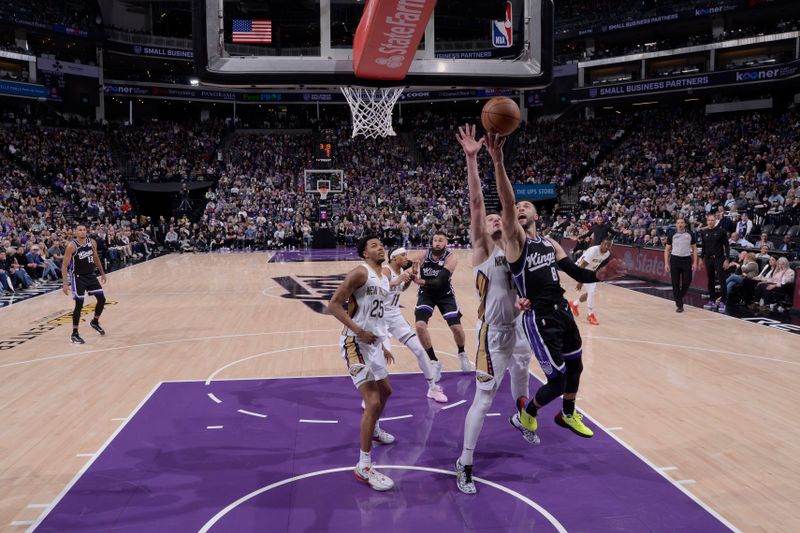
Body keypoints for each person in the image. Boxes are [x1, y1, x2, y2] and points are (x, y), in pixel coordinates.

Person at [487, 133, 627, 443]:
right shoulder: (516, 241)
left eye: (527, 207)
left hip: (562, 310)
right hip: (539, 317)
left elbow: (575, 271)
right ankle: (527, 413)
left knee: (576, 366)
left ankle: (567, 413)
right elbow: (507, 203)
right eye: (517, 207)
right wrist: (498, 161)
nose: (520, 209)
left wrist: (601, 275)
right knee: (558, 377)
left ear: (537, 215)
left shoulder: (550, 243)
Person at [453, 125, 534, 495]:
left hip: (521, 327)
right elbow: (477, 204)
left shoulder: (516, 245)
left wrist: (498, 161)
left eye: (500, 217)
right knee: (484, 399)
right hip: (494, 332)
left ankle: (521, 415)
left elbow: (508, 205)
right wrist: (473, 159)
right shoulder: (484, 251)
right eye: (491, 220)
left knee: (524, 377)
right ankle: (465, 462)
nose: (496, 219)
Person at [327, 234, 396, 492]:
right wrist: (358, 330)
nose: (381, 248)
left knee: (386, 391)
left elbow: (382, 315)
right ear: (365, 253)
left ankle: (374, 428)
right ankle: (364, 465)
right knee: (373, 400)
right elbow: (333, 305)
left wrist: (384, 345)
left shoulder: (385, 278)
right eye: (374, 245)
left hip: (374, 344)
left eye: (381, 244)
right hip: (354, 342)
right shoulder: (360, 272)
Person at [382, 247, 447, 403]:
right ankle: (371, 394)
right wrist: (397, 280)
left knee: (419, 350)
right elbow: (380, 287)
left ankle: (432, 388)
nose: (406, 257)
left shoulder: (400, 271)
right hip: (380, 318)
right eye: (403, 255)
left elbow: (401, 289)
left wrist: (410, 278)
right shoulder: (386, 270)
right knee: (382, 358)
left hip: (395, 316)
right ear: (393, 258)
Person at [409, 232, 470, 375]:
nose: (437, 242)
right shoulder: (423, 254)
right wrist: (412, 267)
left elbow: (439, 282)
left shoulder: (451, 258)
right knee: (419, 326)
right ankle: (434, 361)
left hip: (445, 294)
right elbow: (408, 262)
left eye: (440, 240)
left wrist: (420, 281)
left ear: (446, 243)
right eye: (435, 240)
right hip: (427, 294)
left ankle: (462, 353)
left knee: (456, 328)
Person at [61, 224, 107, 344]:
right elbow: (64, 265)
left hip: (91, 275)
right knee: (79, 304)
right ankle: (74, 333)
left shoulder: (92, 242)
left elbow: (96, 258)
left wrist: (102, 273)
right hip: (78, 278)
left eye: (84, 230)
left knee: (102, 299)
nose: (82, 232)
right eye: (80, 230)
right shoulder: (72, 246)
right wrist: (65, 284)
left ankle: (95, 322)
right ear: (75, 232)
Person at [569, 237, 613, 324]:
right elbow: (583, 265)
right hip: (580, 269)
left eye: (609, 245)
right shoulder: (593, 250)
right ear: (601, 244)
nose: (606, 246)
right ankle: (590, 315)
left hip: (590, 271)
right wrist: (580, 281)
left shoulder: (607, 254)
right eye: (605, 244)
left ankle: (574, 304)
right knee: (591, 293)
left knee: (590, 293)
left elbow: (597, 264)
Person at [664, 218, 698, 313]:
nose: (680, 224)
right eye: (678, 223)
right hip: (675, 260)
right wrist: (666, 263)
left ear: (685, 224)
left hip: (686, 260)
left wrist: (695, 262)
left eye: (682, 223)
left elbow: (694, 249)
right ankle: (679, 305)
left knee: (687, 281)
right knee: (675, 283)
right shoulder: (672, 235)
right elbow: (667, 250)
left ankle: (678, 297)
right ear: (676, 224)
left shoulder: (690, 234)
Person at [699, 213, 730, 312]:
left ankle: (723, 301)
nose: (710, 222)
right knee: (710, 281)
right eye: (709, 220)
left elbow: (727, 246)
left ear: (715, 221)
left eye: (712, 220)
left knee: (721, 280)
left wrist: (727, 259)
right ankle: (712, 300)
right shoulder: (704, 232)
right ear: (707, 221)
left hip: (719, 259)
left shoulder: (721, 231)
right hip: (708, 259)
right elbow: (703, 247)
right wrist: (701, 258)